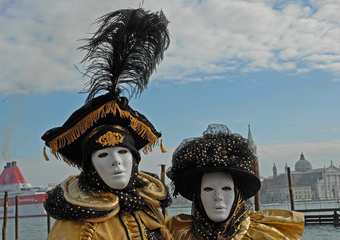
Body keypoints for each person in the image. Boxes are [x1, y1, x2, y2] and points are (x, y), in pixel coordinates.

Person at [42, 8, 173, 240]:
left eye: (123, 152)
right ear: (90, 165)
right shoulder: (75, 228)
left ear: (134, 159)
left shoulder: (148, 209)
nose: (116, 162)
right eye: (102, 155)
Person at [166, 124, 305, 240]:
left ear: (237, 195)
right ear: (198, 195)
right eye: (208, 189)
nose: (218, 197)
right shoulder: (175, 234)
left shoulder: (263, 236)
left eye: (226, 189)